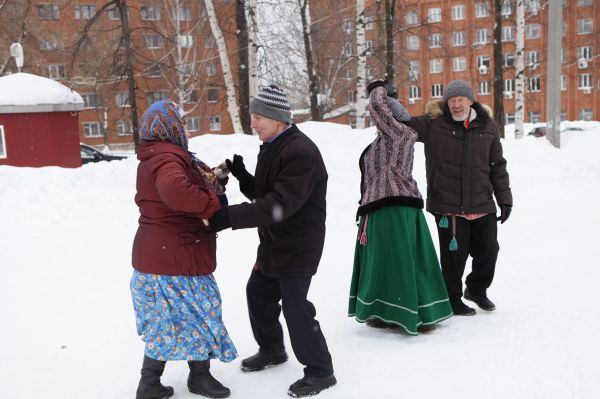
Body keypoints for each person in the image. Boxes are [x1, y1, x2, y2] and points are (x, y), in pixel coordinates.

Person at [209, 85, 336, 398]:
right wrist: (242, 176)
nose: (253, 123)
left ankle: (321, 371)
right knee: (258, 293)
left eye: (258, 117)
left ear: (279, 119)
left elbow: (280, 205)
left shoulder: (301, 152)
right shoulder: (274, 145)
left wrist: (227, 218)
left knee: (296, 308)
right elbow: (266, 197)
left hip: (298, 245)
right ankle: (272, 349)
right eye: (253, 116)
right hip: (274, 243)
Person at [130, 100, 237, 399]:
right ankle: (199, 378)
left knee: (168, 320)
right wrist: (211, 204)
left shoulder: (158, 155)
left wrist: (213, 181)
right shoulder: (167, 159)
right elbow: (175, 189)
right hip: (175, 256)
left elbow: (178, 187)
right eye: (180, 121)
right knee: (200, 313)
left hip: (160, 255)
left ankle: (149, 383)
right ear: (171, 127)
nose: (184, 128)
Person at [348, 80, 453, 335]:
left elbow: (376, 105)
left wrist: (378, 87)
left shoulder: (398, 133)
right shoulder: (391, 137)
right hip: (389, 207)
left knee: (395, 263)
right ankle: (404, 312)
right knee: (399, 263)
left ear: (391, 117)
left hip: (392, 208)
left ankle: (408, 314)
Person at [405, 80, 513, 315]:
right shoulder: (434, 124)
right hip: (448, 204)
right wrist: (387, 98)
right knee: (454, 257)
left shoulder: (487, 125)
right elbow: (402, 124)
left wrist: (504, 198)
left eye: (460, 100)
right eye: (451, 101)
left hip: (482, 202)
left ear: (471, 101)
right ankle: (452, 298)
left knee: (489, 251)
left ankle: (476, 289)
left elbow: (497, 165)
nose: (456, 105)